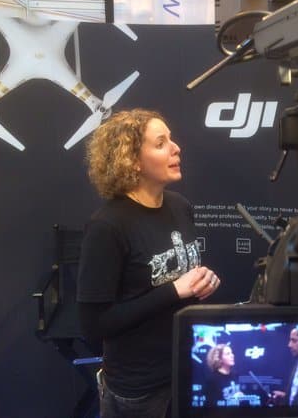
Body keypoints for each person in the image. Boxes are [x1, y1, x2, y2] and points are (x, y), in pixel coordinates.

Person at [76, 108, 221, 418]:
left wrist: (200, 283)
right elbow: (95, 325)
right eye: (160, 143)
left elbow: (179, 281)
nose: (176, 148)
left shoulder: (180, 207)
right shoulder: (107, 226)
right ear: (132, 160)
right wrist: (174, 291)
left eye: (171, 139)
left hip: (188, 371)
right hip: (139, 390)